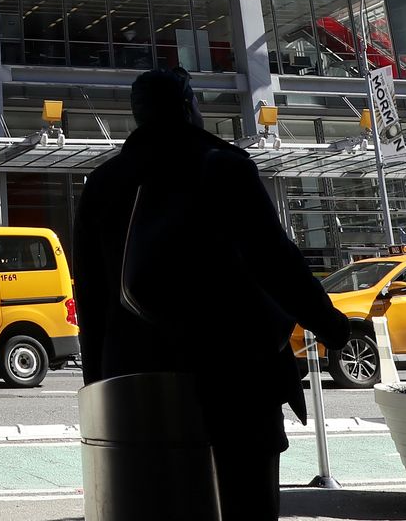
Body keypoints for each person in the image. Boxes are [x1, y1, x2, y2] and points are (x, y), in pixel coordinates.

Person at [74, 68, 348, 521]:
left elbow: (91, 297)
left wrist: (99, 382)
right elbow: (276, 263)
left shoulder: (102, 185)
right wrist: (332, 326)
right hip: (233, 374)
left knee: (153, 503)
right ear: (188, 107)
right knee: (246, 500)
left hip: (136, 383)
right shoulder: (222, 166)